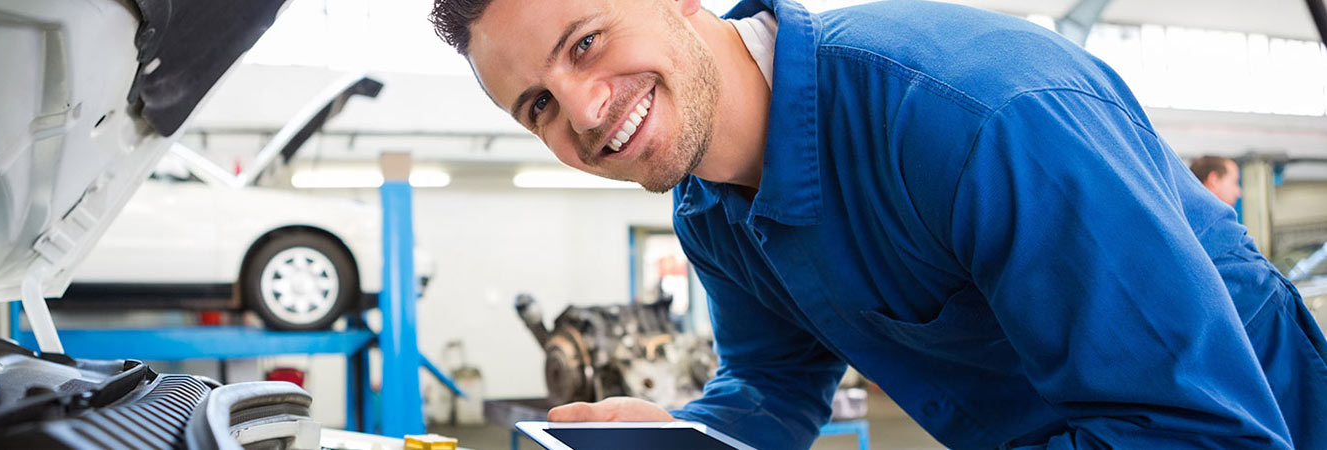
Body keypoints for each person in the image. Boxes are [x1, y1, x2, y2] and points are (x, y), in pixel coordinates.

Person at [428, 0, 1327, 448]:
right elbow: (773, 391)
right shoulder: (707, 211)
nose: (582, 113)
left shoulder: (975, 116)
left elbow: (1197, 431)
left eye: (585, 43)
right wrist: (682, 435)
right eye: (538, 105)